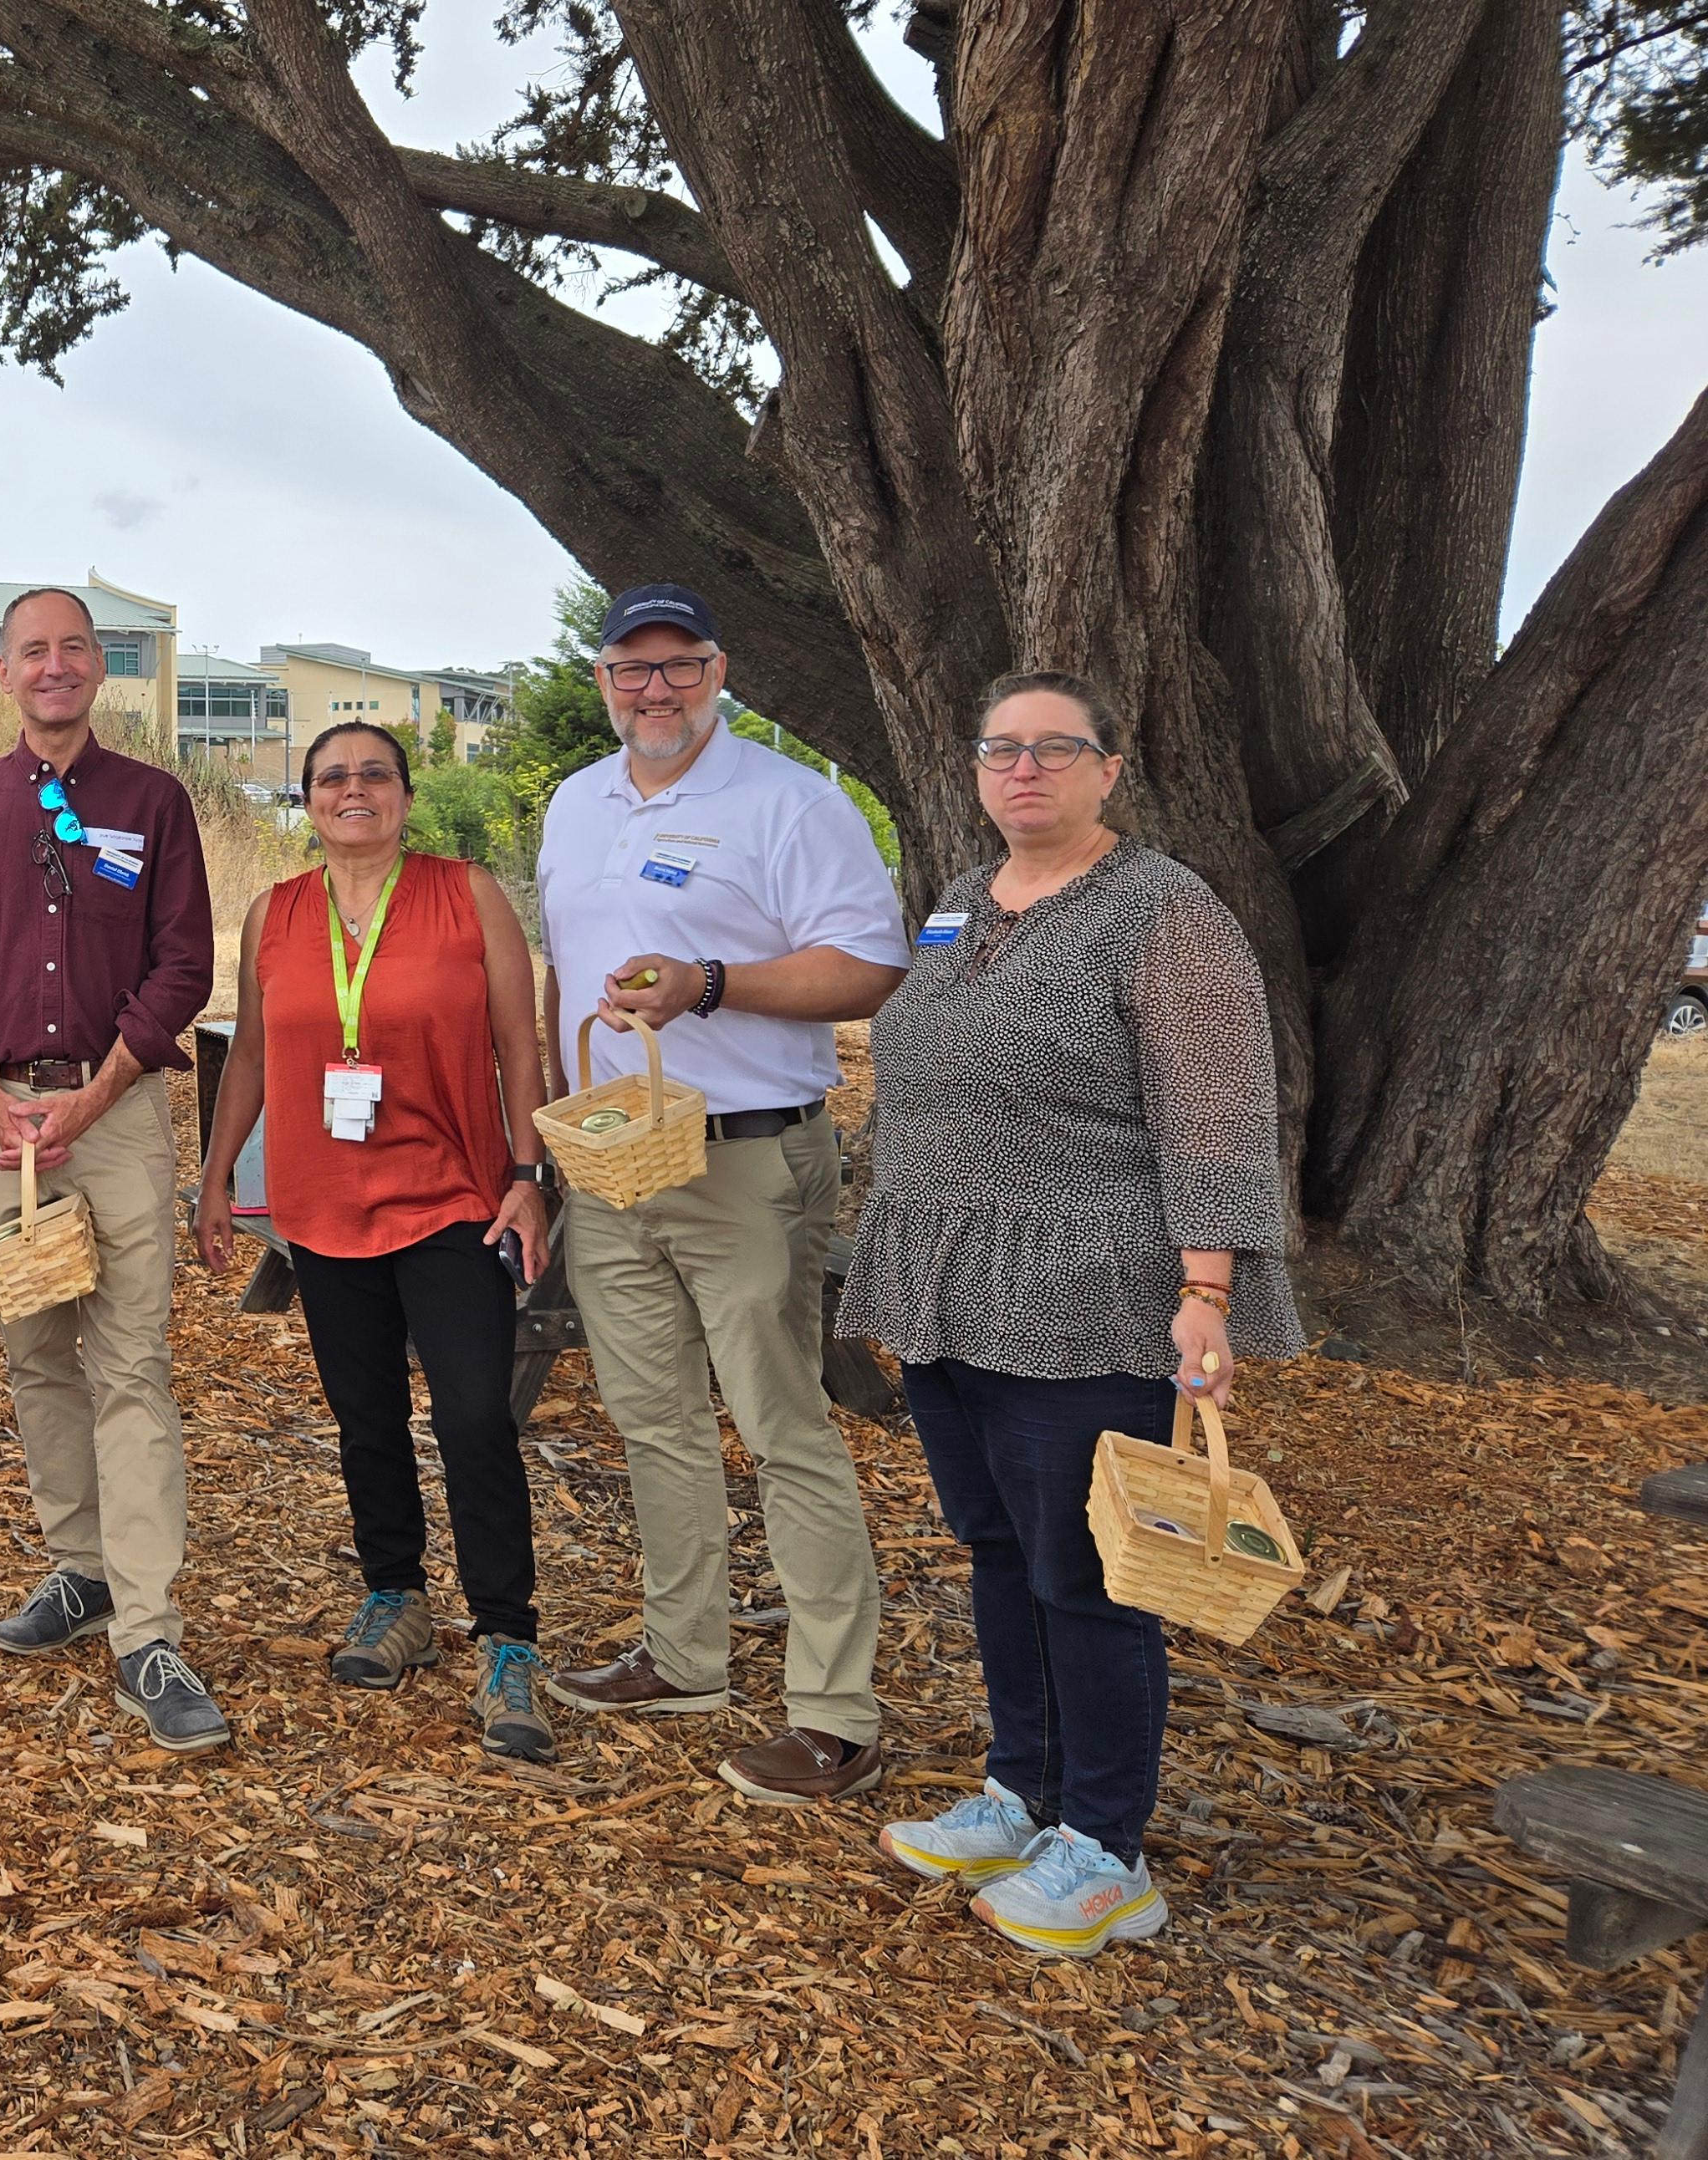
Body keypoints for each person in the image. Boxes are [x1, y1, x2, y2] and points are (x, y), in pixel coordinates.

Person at [852, 673, 1297, 1958]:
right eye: (1003, 750)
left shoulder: (1163, 911)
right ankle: (1023, 1789)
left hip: (1084, 1288)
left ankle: (1107, 1847)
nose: (1026, 770)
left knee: (1094, 1575)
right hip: (947, 1281)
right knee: (999, 1552)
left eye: (1057, 749)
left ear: (1111, 769)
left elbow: (1216, 1106)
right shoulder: (955, 901)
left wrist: (1206, 1287)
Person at [530, 581, 909, 1806]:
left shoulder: (790, 803)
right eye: (632, 670)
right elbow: (563, 971)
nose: (656, 690)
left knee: (780, 1423)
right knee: (653, 1420)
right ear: (603, 681)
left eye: (679, 666)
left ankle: (835, 1713)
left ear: (718, 671)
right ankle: (686, 1654)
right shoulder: (576, 804)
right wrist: (552, 1128)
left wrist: (709, 984)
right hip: (612, 1160)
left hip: (745, 1158)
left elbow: (870, 969)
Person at [195, 721, 559, 1762]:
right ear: (305, 799)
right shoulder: (276, 911)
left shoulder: (465, 891)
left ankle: (506, 1638)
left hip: (451, 1196)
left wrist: (528, 1177)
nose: (353, 790)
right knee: (366, 1420)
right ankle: (394, 1596)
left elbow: (516, 1042)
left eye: (374, 774)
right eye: (331, 778)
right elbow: (254, 1055)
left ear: (405, 791)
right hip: (323, 1205)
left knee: (477, 1417)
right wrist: (219, 1174)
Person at [0, 588, 222, 1750]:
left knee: (130, 1361)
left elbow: (183, 965)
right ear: (4, 674)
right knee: (38, 1350)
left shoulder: (153, 800)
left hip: (121, 1110)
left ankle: (148, 1632)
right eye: (32, 651)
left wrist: (91, 1100)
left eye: (74, 648)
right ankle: (79, 1569)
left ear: (101, 669)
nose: (54, 667)